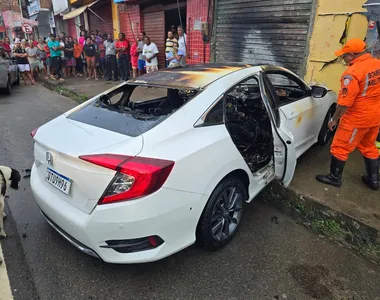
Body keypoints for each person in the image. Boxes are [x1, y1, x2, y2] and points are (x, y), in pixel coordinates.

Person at [316, 39, 380, 190]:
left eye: (344, 56)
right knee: (368, 146)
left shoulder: (352, 73)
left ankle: (334, 178)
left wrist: (333, 119)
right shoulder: (377, 64)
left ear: (352, 55)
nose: (343, 59)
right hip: (375, 116)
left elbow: (344, 103)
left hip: (356, 118)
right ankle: (374, 180)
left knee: (340, 147)